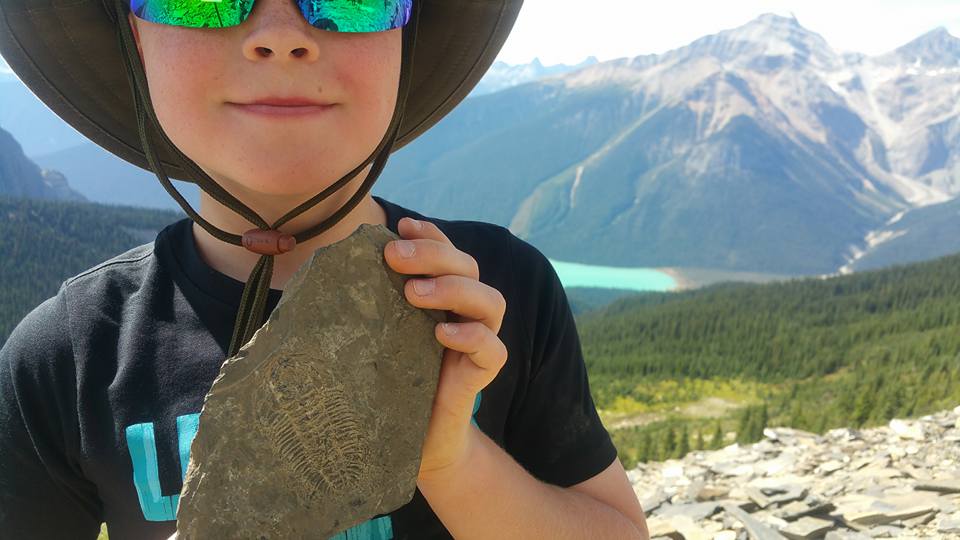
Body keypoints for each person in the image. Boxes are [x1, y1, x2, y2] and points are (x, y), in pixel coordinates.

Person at [0, 0, 649, 538]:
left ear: (406, 35)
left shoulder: (499, 292)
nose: (280, 37)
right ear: (134, 37)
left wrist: (452, 459)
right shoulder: (59, 358)